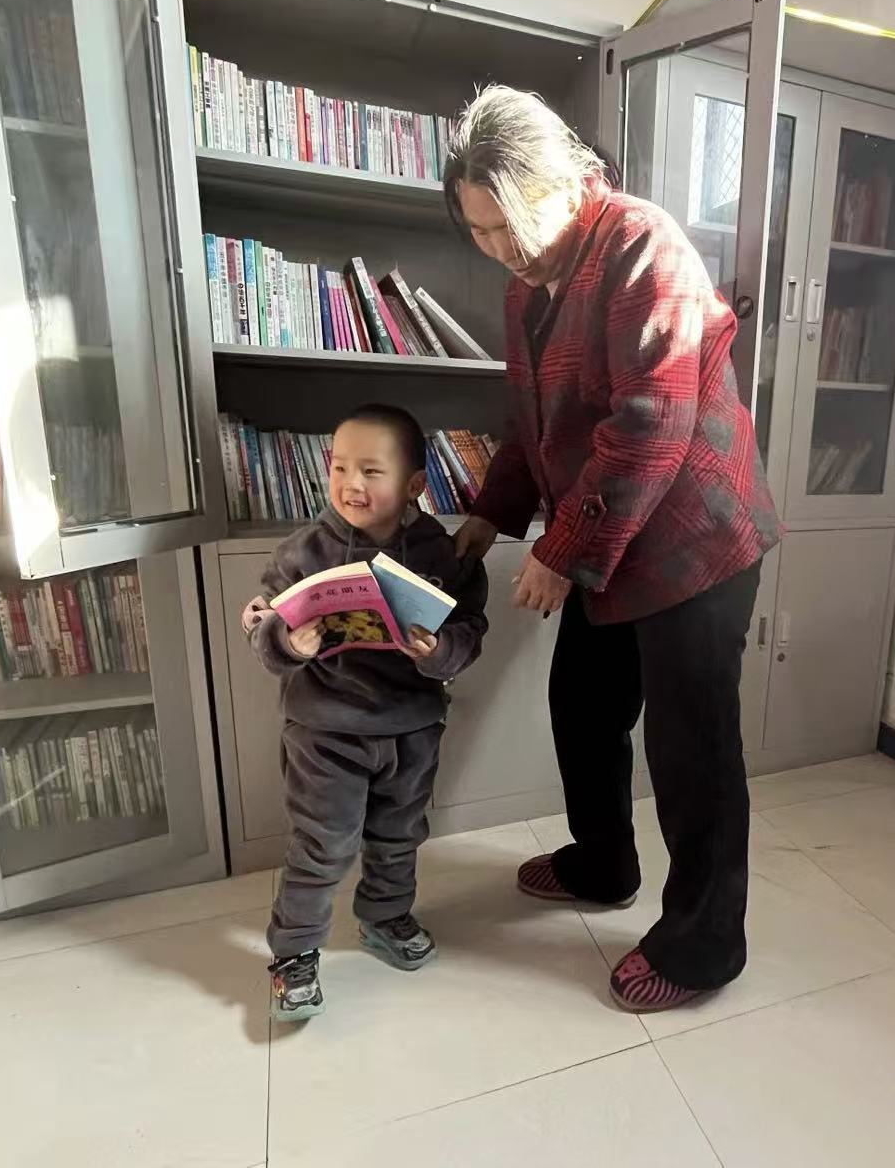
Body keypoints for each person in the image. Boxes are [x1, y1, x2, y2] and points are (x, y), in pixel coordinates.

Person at [446, 85, 782, 1013]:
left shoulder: (642, 244)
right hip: (613, 536)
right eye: (480, 231)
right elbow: (534, 421)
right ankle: (604, 863)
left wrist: (561, 550)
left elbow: (648, 424)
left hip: (694, 540)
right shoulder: (527, 286)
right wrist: (491, 513)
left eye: (512, 225)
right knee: (584, 707)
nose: (502, 248)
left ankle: (704, 944)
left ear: (569, 180)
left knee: (691, 748)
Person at [242, 403, 489, 1022]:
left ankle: (384, 916)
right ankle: (294, 954)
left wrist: (438, 650)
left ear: (414, 484)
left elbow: (469, 631)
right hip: (325, 731)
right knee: (323, 845)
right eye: (340, 467)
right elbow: (263, 624)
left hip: (412, 727)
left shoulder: (439, 553)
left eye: (371, 471)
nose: (352, 484)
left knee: (400, 834)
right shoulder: (303, 551)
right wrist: (286, 642)